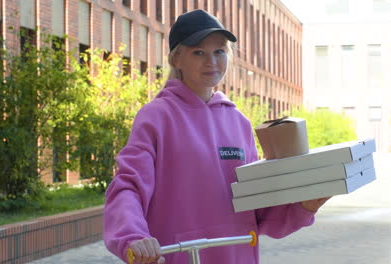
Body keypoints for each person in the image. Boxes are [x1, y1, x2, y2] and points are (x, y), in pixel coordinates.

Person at [103, 9, 330, 264]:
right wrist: (132, 237)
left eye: (219, 51)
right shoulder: (156, 117)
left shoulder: (239, 122)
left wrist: (304, 206)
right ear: (177, 59)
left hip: (237, 255)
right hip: (180, 256)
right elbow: (128, 186)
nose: (211, 61)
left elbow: (259, 209)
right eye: (198, 52)